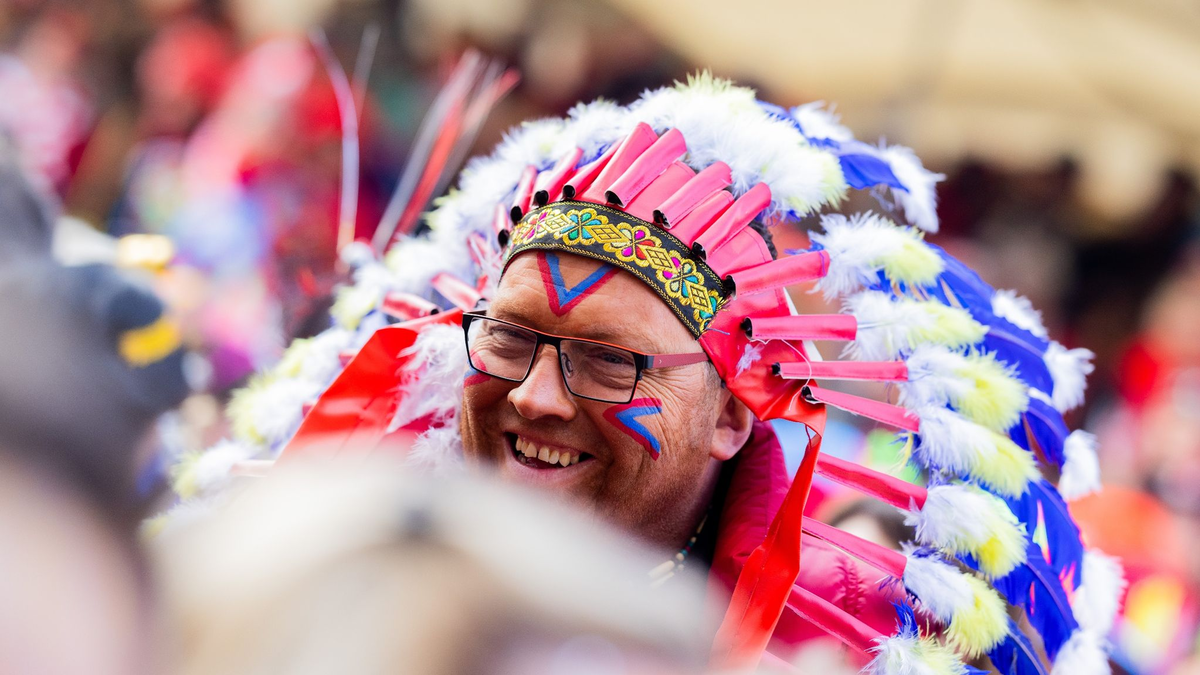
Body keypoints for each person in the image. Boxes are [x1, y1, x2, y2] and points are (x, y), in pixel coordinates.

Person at [181, 75, 1123, 674]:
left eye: (608, 362)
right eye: (509, 337)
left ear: (730, 417)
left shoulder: (836, 648)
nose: (537, 395)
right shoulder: (322, 550)